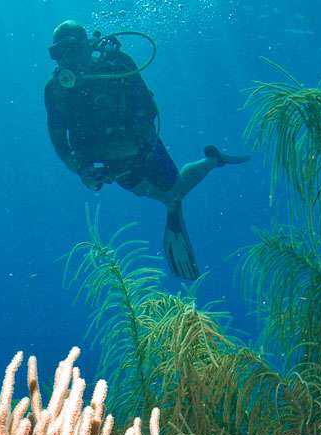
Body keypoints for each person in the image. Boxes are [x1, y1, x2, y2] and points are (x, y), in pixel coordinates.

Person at [44, 20, 250, 280]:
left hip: (141, 147)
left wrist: (139, 145)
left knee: (173, 189)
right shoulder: (55, 91)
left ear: (87, 45)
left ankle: (211, 161)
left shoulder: (118, 65)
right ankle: (186, 189)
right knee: (150, 193)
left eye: (72, 49)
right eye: (58, 52)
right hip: (103, 157)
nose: (66, 58)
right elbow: (58, 137)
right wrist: (78, 168)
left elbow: (147, 108)